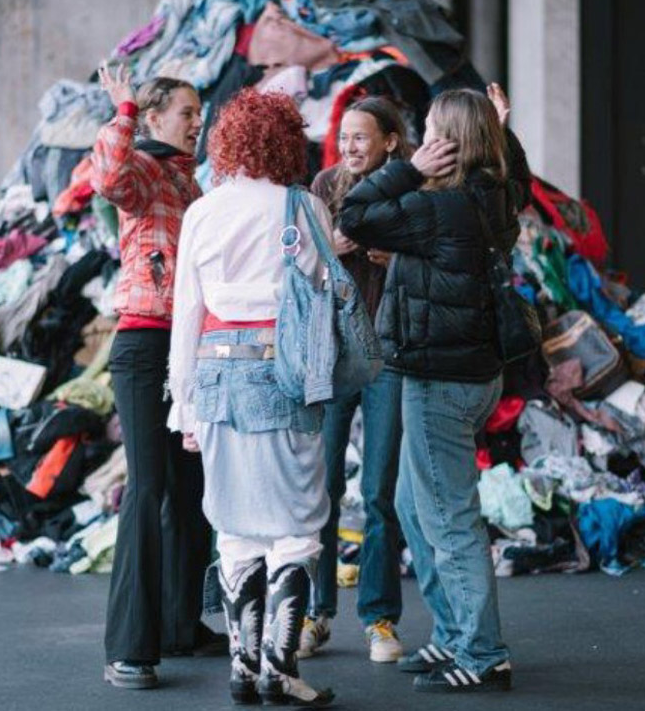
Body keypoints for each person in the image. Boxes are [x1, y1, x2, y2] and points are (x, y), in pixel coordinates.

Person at [339, 86, 522, 693]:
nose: (423, 141)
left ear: (447, 143)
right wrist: (501, 131)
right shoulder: (491, 197)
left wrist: (404, 170)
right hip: (472, 373)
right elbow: (510, 174)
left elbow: (354, 213)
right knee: (421, 509)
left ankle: (482, 651)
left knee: (447, 517)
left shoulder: (437, 207)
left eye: (432, 132)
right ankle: (452, 634)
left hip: (439, 378)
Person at [168, 88, 335, 707]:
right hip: (284, 374)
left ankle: (241, 666)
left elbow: (187, 312)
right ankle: (279, 667)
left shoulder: (203, 211)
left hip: (213, 377)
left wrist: (182, 405)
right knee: (297, 522)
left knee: (234, 523)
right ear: (287, 141)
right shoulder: (305, 208)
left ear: (228, 142)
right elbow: (318, 297)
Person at [298, 96, 442, 664]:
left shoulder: (414, 190)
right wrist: (327, 253)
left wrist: (393, 258)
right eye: (345, 137)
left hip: (388, 357)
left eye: (363, 137)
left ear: (390, 140)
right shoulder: (323, 186)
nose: (351, 147)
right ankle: (315, 612)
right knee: (322, 492)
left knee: (379, 495)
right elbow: (296, 273)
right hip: (331, 359)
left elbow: (437, 263)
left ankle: (380, 619)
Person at [93, 63, 222, 690]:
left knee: (192, 490)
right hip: (144, 344)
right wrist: (121, 112)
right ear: (153, 118)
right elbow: (107, 177)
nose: (197, 123)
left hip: (188, 348)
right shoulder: (143, 169)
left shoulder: (189, 184)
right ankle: (129, 647)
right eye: (186, 113)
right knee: (146, 489)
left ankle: (179, 625)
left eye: (200, 114)